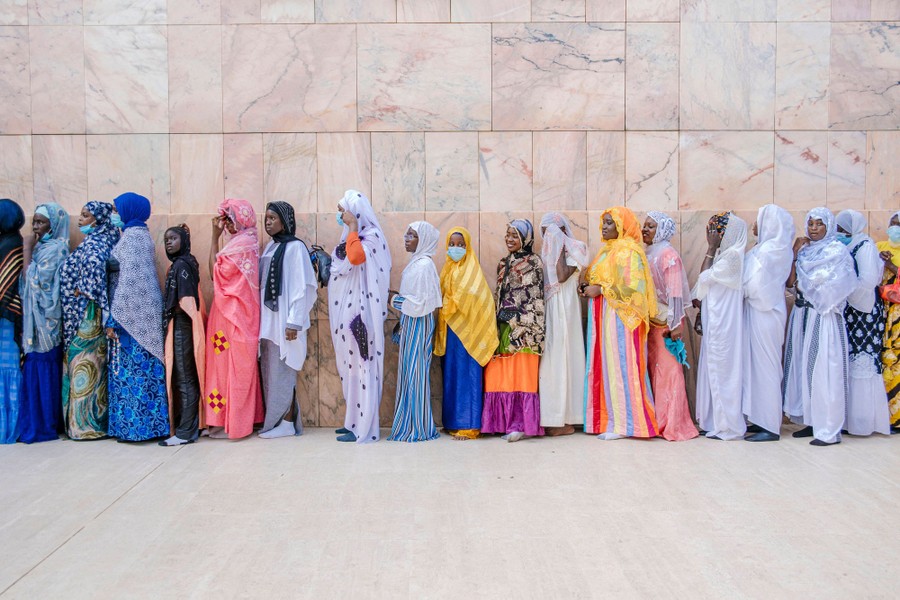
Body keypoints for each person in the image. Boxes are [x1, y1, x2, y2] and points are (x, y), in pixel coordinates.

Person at [582, 206, 658, 440]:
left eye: (609, 223)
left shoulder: (629, 251)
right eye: (603, 222)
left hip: (623, 321)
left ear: (622, 225)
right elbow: (597, 278)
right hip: (605, 318)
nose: (603, 227)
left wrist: (601, 289)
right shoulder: (607, 251)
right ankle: (612, 421)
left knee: (623, 369)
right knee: (608, 370)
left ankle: (629, 425)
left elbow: (634, 289)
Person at [782, 207, 856, 446]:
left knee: (825, 370)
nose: (813, 229)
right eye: (810, 224)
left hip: (824, 316)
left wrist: (817, 295)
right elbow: (791, 282)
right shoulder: (804, 252)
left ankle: (830, 429)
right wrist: (794, 253)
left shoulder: (837, 251)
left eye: (819, 224)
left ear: (829, 226)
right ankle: (812, 421)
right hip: (803, 315)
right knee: (805, 369)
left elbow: (841, 285)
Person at [105, 193, 169, 442]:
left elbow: (129, 284)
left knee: (134, 373)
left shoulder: (132, 239)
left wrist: (113, 319)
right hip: (140, 315)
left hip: (131, 317)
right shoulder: (139, 236)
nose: (114, 214)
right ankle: (144, 427)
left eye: (116, 209)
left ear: (128, 211)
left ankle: (138, 429)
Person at [329, 190, 392, 443]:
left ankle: (366, 428)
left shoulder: (372, 237)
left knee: (365, 369)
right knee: (350, 371)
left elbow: (355, 258)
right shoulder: (352, 237)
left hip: (362, 318)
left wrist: (353, 225)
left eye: (342, 209)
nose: (340, 216)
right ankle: (352, 422)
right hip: (346, 316)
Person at [59, 201, 120, 440]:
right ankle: (78, 424)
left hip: (90, 317)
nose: (80, 220)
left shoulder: (100, 242)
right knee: (80, 368)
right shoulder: (92, 240)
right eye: (81, 215)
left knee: (87, 367)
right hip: (80, 316)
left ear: (99, 219)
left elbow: (96, 271)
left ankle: (88, 426)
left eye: (86, 215)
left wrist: (83, 290)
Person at [205, 198, 263, 440]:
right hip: (227, 316)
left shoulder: (242, 246)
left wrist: (213, 238)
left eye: (231, 219)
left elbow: (212, 273)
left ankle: (237, 422)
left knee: (237, 370)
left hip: (236, 319)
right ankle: (222, 419)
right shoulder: (244, 243)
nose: (227, 224)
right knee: (223, 369)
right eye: (225, 219)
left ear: (243, 219)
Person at [482, 219, 545, 443]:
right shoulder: (503, 263)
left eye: (515, 236)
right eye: (508, 234)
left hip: (525, 330)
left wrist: (516, 317)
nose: (509, 239)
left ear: (525, 239)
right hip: (502, 326)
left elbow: (535, 297)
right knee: (500, 375)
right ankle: (500, 422)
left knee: (521, 376)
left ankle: (520, 424)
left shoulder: (534, 262)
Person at [259, 201, 317, 439]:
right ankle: (278, 422)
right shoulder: (269, 247)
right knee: (272, 371)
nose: (268, 222)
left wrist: (294, 322)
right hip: (269, 321)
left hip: (286, 322)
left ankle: (287, 421)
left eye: (273, 218)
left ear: (285, 221)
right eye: (266, 218)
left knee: (284, 370)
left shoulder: (295, 248)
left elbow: (302, 287)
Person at [434, 227, 498, 441]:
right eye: (452, 244)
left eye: (461, 245)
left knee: (467, 377)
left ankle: (469, 425)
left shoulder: (472, 268)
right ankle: (453, 422)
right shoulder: (447, 269)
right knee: (451, 376)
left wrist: (454, 302)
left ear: (467, 246)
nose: (456, 248)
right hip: (452, 333)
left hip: (469, 335)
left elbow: (480, 299)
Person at [642, 211, 698, 442]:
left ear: (662, 231)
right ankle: (657, 419)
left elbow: (675, 292)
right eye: (644, 225)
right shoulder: (648, 252)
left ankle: (673, 423)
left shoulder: (667, 255)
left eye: (651, 226)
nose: (645, 229)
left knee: (669, 372)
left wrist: (676, 325)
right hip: (652, 320)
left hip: (667, 321)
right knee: (655, 370)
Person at [741, 204, 794, 442]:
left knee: (767, 366)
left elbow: (756, 284)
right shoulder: (768, 248)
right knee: (756, 366)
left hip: (765, 311)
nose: (754, 225)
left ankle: (770, 425)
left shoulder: (771, 250)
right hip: (759, 312)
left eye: (758, 220)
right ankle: (758, 417)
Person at [694, 212, 748, 440]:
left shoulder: (732, 257)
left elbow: (703, 279)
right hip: (716, 321)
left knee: (724, 370)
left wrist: (710, 248)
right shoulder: (725, 256)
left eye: (718, 231)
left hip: (724, 325)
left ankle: (728, 426)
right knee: (715, 369)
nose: (713, 236)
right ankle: (714, 421)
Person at [18, 203, 69, 443]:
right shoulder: (43, 247)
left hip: (47, 323)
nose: (36, 227)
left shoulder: (56, 249)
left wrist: (27, 249)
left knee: (45, 366)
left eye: (41, 222)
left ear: (54, 225)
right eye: (34, 222)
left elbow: (36, 282)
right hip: (34, 323)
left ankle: (45, 425)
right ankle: (35, 421)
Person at [836, 209, 890, 437]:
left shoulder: (865, 246)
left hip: (864, 311)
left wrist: (844, 291)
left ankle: (864, 421)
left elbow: (867, 281)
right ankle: (850, 420)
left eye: (843, 230)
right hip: (850, 311)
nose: (840, 234)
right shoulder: (850, 245)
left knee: (863, 362)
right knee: (851, 361)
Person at [388, 221, 442, 442]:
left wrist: (393, 299)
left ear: (424, 240)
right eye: (406, 234)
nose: (406, 238)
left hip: (419, 323)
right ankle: (408, 424)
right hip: (411, 324)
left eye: (412, 235)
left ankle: (418, 427)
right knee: (409, 374)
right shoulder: (416, 263)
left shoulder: (424, 266)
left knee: (416, 375)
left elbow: (419, 304)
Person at [537, 213, 587, 436]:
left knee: (568, 358)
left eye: (552, 231)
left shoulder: (578, 248)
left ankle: (568, 418)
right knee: (552, 361)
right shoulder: (547, 251)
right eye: (545, 233)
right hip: (552, 309)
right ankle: (552, 417)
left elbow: (563, 275)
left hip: (567, 311)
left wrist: (558, 244)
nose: (548, 237)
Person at [160, 224, 205, 446]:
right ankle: (188, 425)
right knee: (182, 377)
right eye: (166, 239)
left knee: (185, 377)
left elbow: (188, 303)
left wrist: (174, 314)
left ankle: (186, 431)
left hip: (182, 327)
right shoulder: (181, 264)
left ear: (184, 240)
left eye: (173, 238)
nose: (168, 242)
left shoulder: (182, 266)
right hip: (178, 325)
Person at [0, 199, 24, 444]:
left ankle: (8, 426)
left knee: (7, 369)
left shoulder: (12, 244)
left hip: (7, 318)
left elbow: (6, 287)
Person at [877, 210, 900, 432]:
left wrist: (892, 266)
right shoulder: (880, 247)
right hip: (884, 313)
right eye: (893, 224)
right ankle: (887, 417)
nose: (896, 229)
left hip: (899, 317)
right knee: (886, 362)